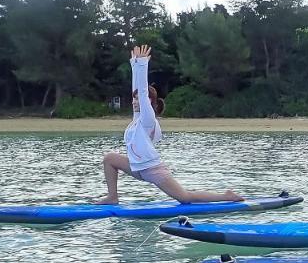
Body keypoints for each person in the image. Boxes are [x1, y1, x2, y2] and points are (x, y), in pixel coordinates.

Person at [93, 45, 242, 205]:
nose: (134, 101)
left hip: (151, 169)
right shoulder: (137, 118)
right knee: (109, 159)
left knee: (185, 198)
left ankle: (226, 196)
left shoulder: (148, 119)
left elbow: (142, 91)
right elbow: (137, 90)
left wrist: (143, 65)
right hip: (136, 167)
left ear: (149, 102)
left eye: (138, 99)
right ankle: (112, 197)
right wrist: (134, 64)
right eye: (133, 98)